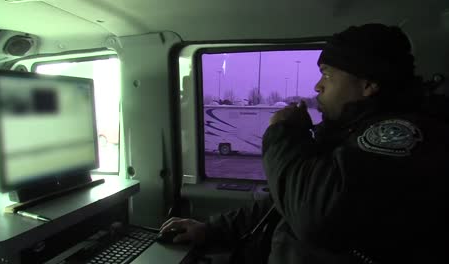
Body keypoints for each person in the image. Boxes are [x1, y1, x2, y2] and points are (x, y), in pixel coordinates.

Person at [161, 24, 448, 264]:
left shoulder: (401, 135)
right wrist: (211, 230)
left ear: (368, 84)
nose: (317, 86)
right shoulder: (347, 131)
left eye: (327, 75)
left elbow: (316, 215)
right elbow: (284, 200)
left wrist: (284, 133)